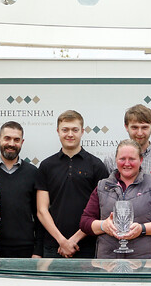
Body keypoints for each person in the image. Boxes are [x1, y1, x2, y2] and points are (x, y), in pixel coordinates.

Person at [80, 139, 151, 259]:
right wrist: (103, 225)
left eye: (132, 159)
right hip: (108, 263)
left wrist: (142, 229)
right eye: (122, 159)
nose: (127, 163)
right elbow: (85, 222)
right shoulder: (102, 186)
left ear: (141, 160)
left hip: (145, 264)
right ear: (116, 160)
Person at [37, 110, 108, 258]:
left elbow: (102, 210)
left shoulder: (97, 166)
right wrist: (62, 241)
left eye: (75, 130)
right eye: (65, 130)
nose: (70, 134)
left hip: (88, 245)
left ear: (82, 132)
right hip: (53, 246)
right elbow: (42, 210)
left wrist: (74, 239)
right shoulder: (46, 166)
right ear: (58, 131)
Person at [0, 121, 44, 258]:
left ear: (22, 142)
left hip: (25, 249)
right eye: (7, 138)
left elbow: (40, 215)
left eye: (16, 140)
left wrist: (38, 251)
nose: (11, 144)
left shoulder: (33, 172)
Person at [103, 104, 151, 180]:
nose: (139, 133)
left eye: (144, 127)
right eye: (134, 127)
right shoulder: (110, 160)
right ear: (126, 127)